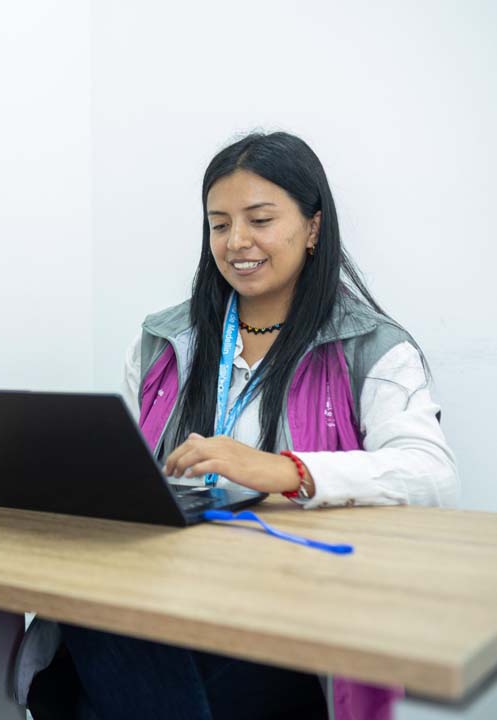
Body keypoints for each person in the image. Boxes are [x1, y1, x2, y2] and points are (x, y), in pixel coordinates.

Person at [25, 132, 458, 720]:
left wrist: (284, 471)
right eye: (219, 224)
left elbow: (432, 475)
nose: (236, 242)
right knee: (96, 617)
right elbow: (121, 473)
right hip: (162, 593)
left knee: (96, 658)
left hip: (288, 618)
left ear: (313, 228)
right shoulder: (162, 342)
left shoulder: (372, 347)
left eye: (260, 220)